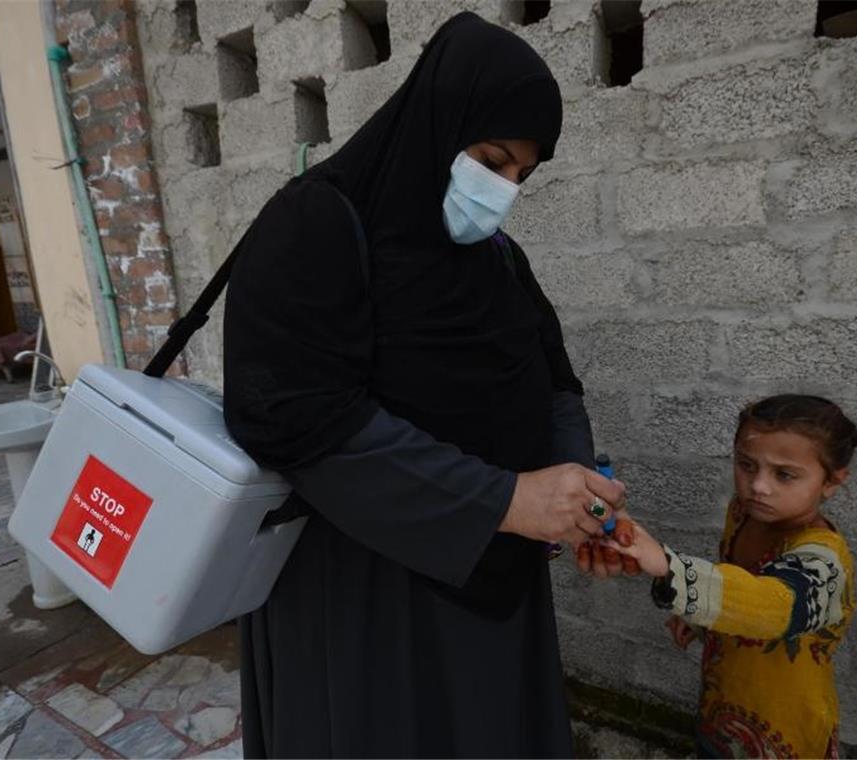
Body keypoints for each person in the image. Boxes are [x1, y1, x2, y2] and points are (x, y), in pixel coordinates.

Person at [221, 12, 627, 758]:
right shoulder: (314, 224)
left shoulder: (500, 258)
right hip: (365, 597)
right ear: (437, 119)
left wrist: (579, 491)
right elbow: (295, 415)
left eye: (521, 177)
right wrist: (505, 500)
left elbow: (553, 380)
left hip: (496, 576)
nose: (502, 190)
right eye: (491, 158)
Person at [603, 395, 857, 759]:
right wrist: (699, 619)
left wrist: (668, 565)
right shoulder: (742, 514)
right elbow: (733, 586)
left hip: (782, 725)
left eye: (784, 474)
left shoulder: (825, 559)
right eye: (746, 465)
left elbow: (774, 607)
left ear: (832, 481)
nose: (758, 486)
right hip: (723, 699)